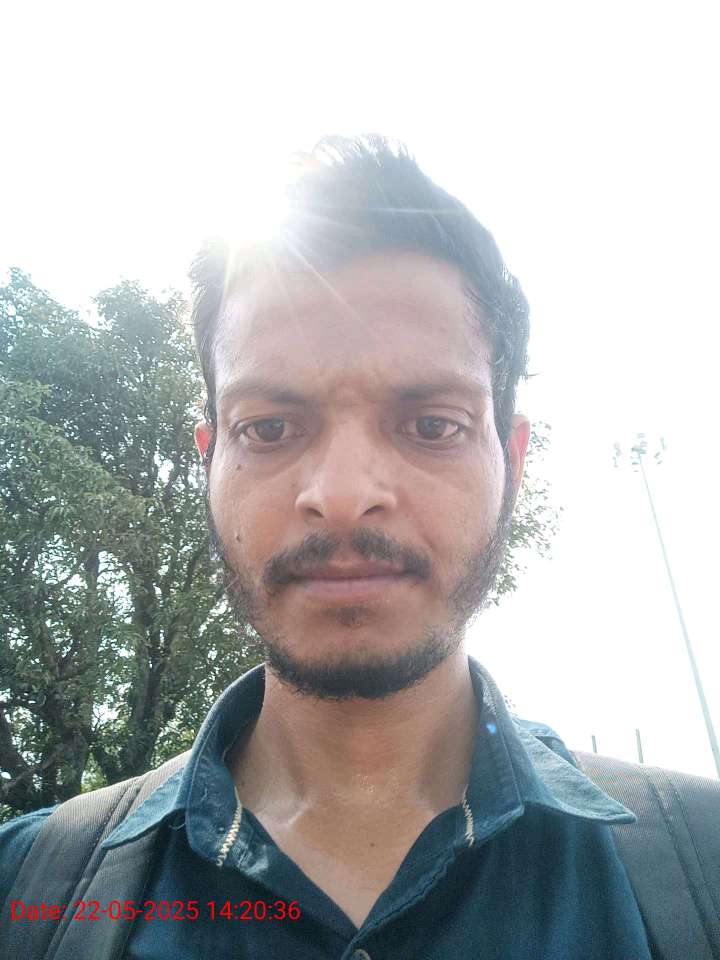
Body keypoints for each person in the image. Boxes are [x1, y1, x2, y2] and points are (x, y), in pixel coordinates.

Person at [0, 135, 653, 959]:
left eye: (432, 425)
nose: (341, 494)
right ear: (209, 461)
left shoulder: (695, 869)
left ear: (512, 463)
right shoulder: (25, 894)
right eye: (270, 429)